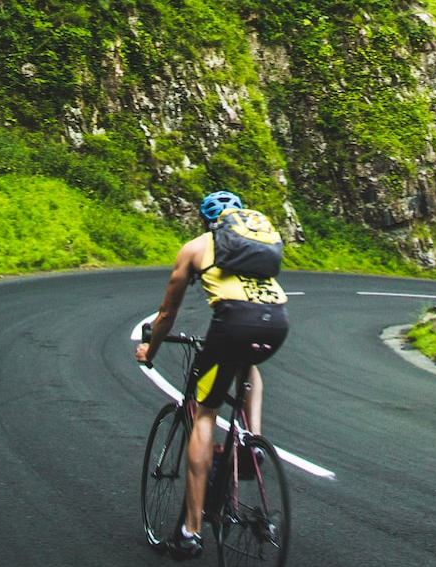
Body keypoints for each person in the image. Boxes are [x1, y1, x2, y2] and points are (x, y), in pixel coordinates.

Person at [135, 190, 289, 559]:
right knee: (246, 364)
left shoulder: (195, 247)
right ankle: (251, 441)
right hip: (277, 322)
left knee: (205, 414)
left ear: (206, 222)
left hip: (234, 323)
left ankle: (190, 532)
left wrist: (149, 352)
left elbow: (166, 314)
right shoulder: (254, 248)